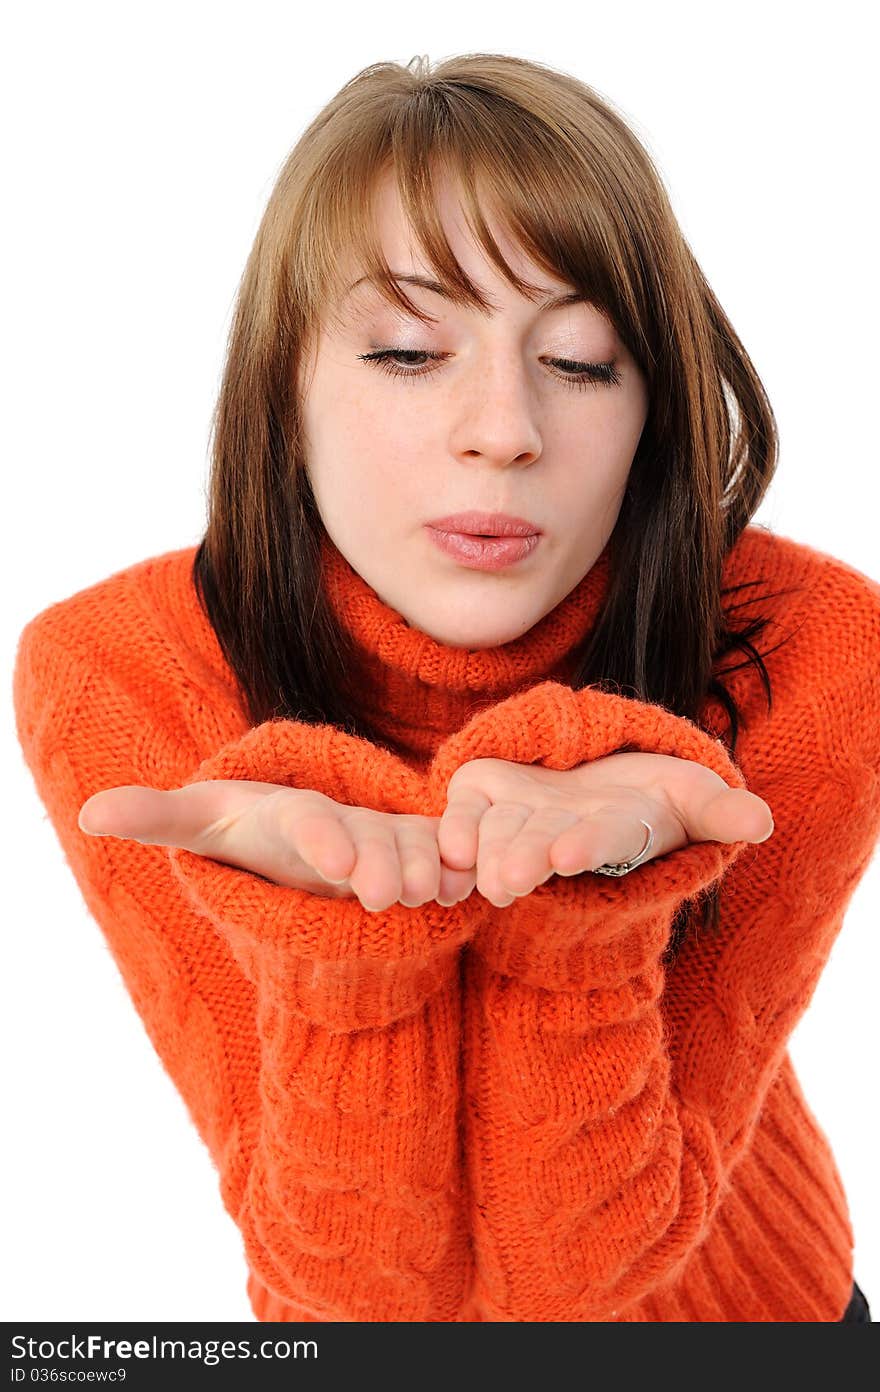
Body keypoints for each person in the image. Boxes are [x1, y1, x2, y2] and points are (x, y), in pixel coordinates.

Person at [12, 53, 879, 1323]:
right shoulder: (119, 674)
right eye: (411, 351)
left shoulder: (816, 648)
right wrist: (344, 961)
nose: (504, 427)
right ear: (282, 385)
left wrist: (590, 903)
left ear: (654, 409)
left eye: (582, 361)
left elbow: (574, 1282)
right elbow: (359, 1307)